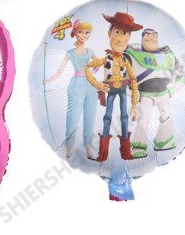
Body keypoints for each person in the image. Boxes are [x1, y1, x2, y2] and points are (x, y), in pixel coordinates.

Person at [85, 12, 143, 162]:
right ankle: (103, 153)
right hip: (109, 89)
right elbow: (88, 67)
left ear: (129, 37)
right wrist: (96, 84)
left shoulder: (125, 61)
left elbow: (133, 79)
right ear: (110, 33)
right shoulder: (106, 59)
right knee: (107, 117)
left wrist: (134, 104)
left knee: (124, 116)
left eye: (125, 33)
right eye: (117, 32)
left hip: (123, 89)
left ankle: (125, 152)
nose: (120, 38)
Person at [127, 28, 185, 158]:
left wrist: (172, 90)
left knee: (168, 118)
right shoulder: (131, 55)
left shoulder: (168, 55)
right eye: (147, 37)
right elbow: (124, 79)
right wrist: (132, 94)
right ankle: (138, 147)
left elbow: (182, 76)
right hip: (145, 94)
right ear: (142, 40)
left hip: (163, 93)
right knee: (143, 119)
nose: (151, 38)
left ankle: (163, 142)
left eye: (154, 36)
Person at [44, 21, 98, 158]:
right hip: (76, 85)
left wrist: (92, 72)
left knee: (90, 116)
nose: (84, 35)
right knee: (72, 116)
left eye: (87, 33)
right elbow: (59, 71)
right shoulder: (70, 52)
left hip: (91, 85)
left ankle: (88, 146)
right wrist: (48, 80)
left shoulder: (90, 51)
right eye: (81, 32)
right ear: (75, 33)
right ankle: (69, 146)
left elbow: (99, 64)